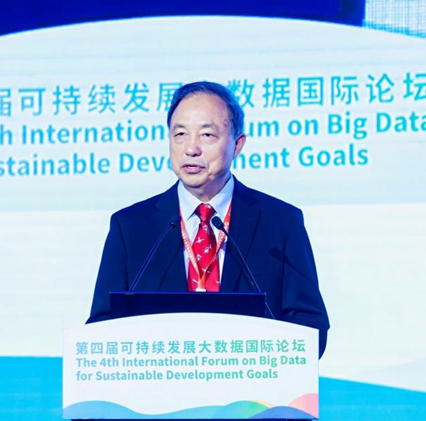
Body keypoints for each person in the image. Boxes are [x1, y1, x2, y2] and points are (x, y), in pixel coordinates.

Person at [87, 81, 329, 358]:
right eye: (180, 134)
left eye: (207, 135)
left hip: (250, 382)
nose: (191, 149)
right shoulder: (130, 227)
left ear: (237, 145)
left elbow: (311, 326)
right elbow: (101, 327)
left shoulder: (280, 223)